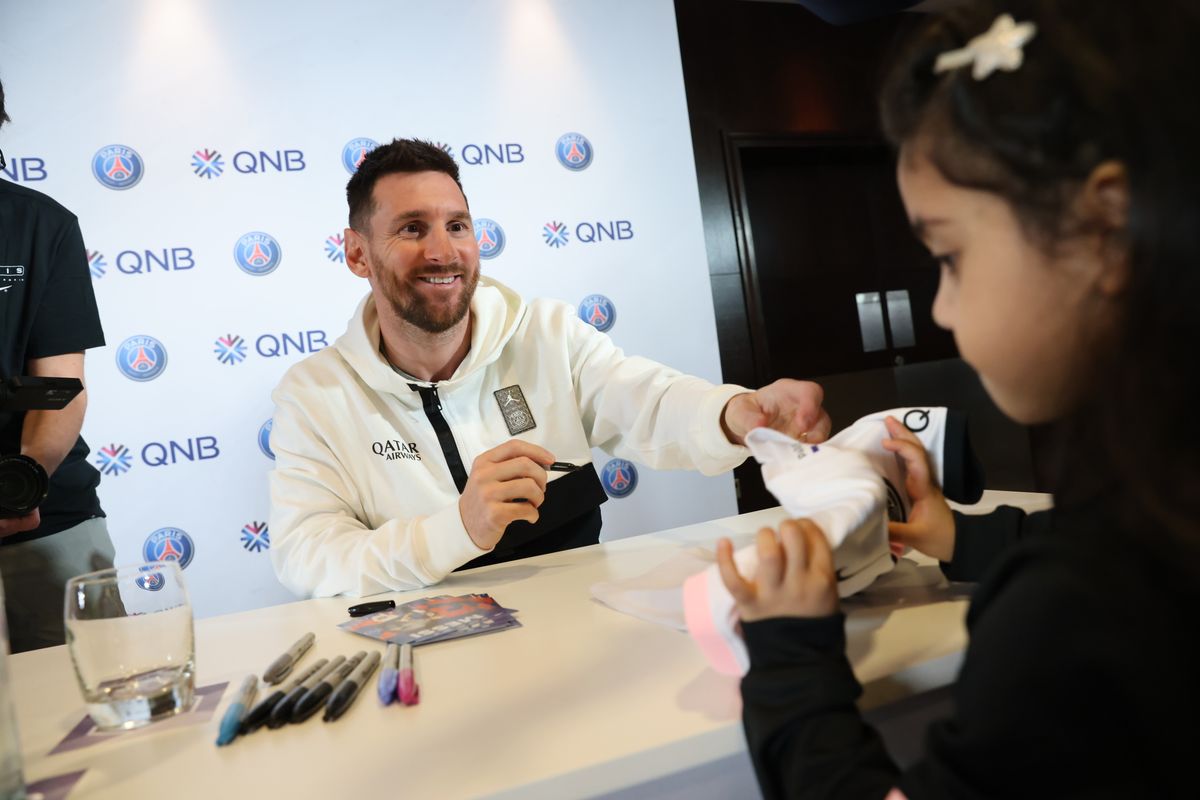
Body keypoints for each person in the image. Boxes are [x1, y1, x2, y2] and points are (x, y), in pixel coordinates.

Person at [716, 2, 1200, 797]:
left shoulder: (1076, 609)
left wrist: (791, 663)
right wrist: (964, 538)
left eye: (949, 254)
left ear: (1105, 228)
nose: (939, 307)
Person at [268, 138, 832, 598]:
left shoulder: (547, 334)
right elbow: (308, 554)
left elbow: (647, 402)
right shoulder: (315, 393)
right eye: (412, 228)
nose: (443, 252)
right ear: (357, 253)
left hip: (581, 650)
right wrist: (457, 531)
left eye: (457, 225)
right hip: (429, 667)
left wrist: (736, 413)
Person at [0, 78, 114, 652]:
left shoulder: (39, 225)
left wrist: (14, 492)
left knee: (91, 724)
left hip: (44, 521)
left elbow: (55, 387)